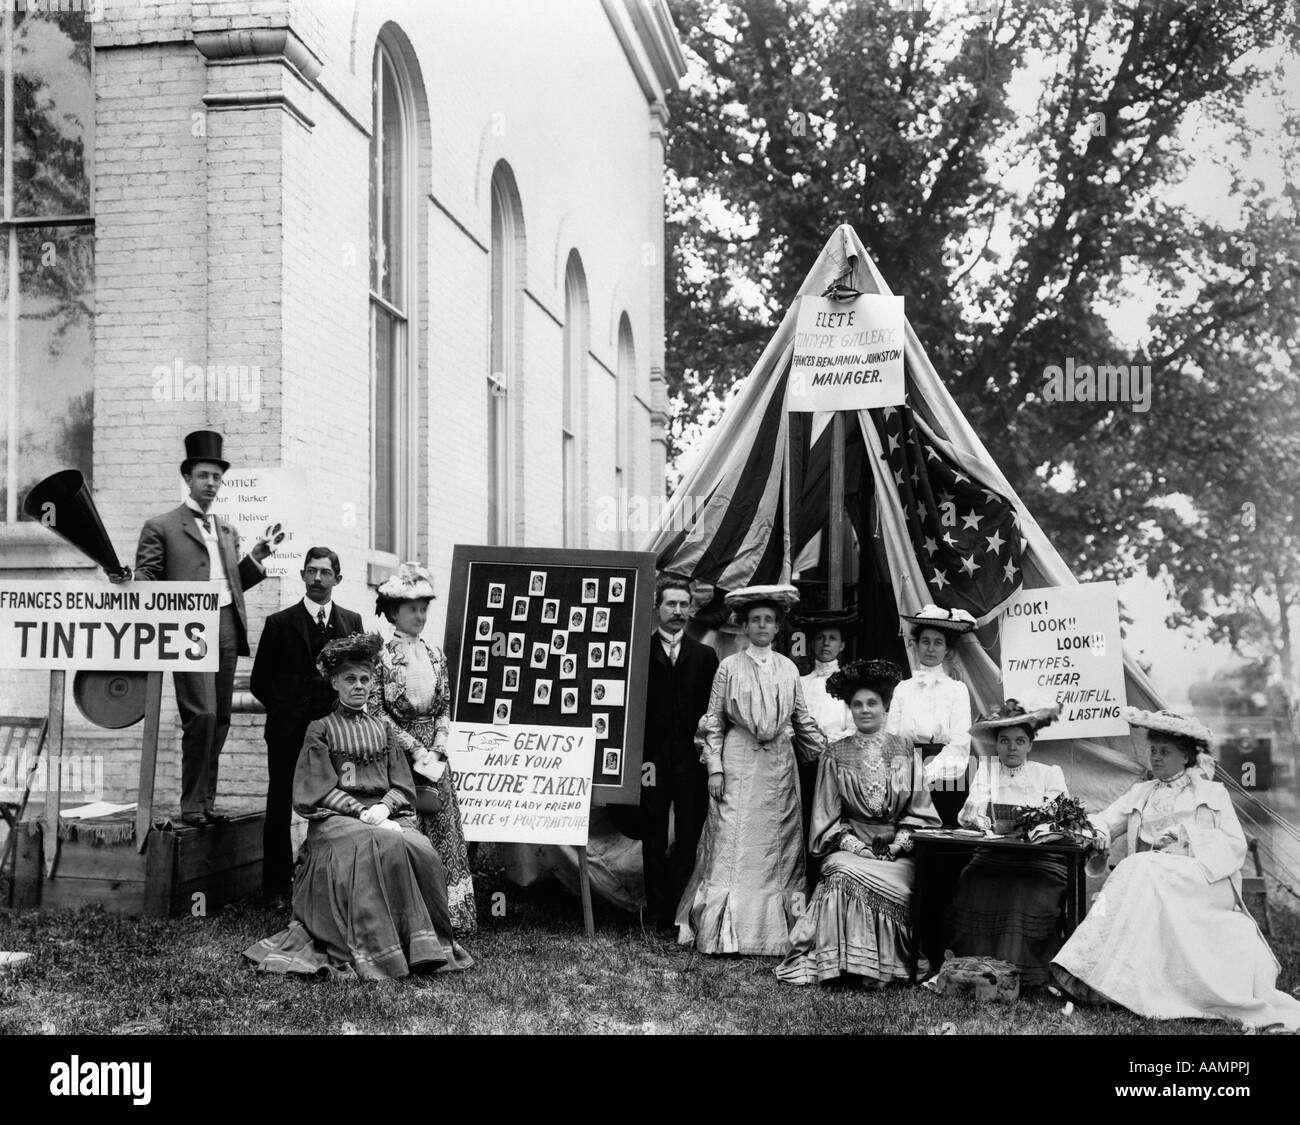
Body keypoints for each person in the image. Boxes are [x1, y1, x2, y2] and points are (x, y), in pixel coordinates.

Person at [1051, 708, 1300, 1030]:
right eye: (1153, 750)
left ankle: (1088, 973)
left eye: (1164, 752)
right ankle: (1092, 977)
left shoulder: (1212, 793)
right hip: (1152, 876)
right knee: (1141, 867)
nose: (1155, 758)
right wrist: (1097, 831)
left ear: (1185, 756)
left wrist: (1189, 841)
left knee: (1139, 866)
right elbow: (1105, 819)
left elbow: (1234, 845)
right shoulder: (1141, 792)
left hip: (1202, 878)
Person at [243, 633, 473, 979]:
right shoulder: (319, 729)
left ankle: (425, 946)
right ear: (335, 683)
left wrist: (384, 807)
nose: (359, 686)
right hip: (335, 820)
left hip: (381, 814)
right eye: (350, 679)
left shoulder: (384, 730)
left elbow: (402, 785)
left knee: (419, 846)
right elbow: (315, 790)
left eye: (365, 679)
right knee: (379, 842)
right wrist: (361, 812)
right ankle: (379, 950)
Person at [123, 430, 274, 826]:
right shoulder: (162, 526)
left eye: (217, 477)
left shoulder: (226, 530)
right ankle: (191, 805)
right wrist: (139, 584)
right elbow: (148, 576)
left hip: (225, 623)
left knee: (222, 716)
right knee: (201, 714)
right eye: (203, 475)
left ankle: (205, 803)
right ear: (188, 478)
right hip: (186, 627)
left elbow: (231, 582)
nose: (211, 483)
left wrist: (256, 560)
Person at [676, 584, 825, 955]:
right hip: (738, 757)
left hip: (778, 762)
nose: (762, 626)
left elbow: (802, 719)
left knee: (778, 842)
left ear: (777, 628)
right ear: (744, 626)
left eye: (769, 621)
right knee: (731, 838)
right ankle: (722, 933)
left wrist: (827, 758)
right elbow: (713, 721)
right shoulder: (729, 666)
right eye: (755, 620)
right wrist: (714, 768)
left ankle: (776, 935)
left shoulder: (789, 668)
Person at [775, 660, 941, 986]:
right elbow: (827, 817)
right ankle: (843, 965)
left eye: (872, 704)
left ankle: (885, 966)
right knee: (840, 872)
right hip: (849, 848)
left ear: (885, 706)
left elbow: (921, 811)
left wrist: (897, 845)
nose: (865, 711)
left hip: (896, 851)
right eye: (857, 705)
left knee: (904, 880)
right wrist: (857, 848)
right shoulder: (834, 754)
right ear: (849, 709)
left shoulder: (905, 749)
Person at [250, 547, 364, 905]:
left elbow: (359, 677)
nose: (317, 578)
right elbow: (259, 682)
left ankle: (335, 881)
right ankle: (276, 889)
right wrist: (292, 710)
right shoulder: (279, 623)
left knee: (341, 800)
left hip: (338, 733)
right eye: (311, 571)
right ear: (302, 575)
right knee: (281, 803)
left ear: (337, 579)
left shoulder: (351, 623)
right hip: (288, 733)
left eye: (325, 573)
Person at [368, 562, 476, 935]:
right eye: (412, 608)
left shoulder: (436, 655)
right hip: (400, 758)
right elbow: (376, 712)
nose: (419, 615)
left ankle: (449, 916)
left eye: (424, 608)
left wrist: (440, 746)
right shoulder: (381, 659)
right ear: (394, 610)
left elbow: (446, 705)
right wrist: (414, 748)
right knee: (407, 829)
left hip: (437, 759)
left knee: (443, 829)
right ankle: (407, 917)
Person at [945, 701, 1068, 987]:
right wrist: (982, 820)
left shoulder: (1049, 773)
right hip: (993, 855)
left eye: (1019, 741)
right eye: (1005, 741)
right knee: (973, 880)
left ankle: (1026, 972)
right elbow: (971, 810)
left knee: (1025, 888)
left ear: (1030, 745)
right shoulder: (986, 771)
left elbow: (1059, 819)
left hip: (1040, 860)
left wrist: (1035, 827)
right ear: (996, 745)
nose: (1012, 748)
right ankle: (974, 970)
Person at [639, 576, 720, 933]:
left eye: (682, 605)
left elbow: (714, 714)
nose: (677, 611)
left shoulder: (705, 656)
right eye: (670, 604)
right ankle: (656, 912)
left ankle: (679, 910)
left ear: (690, 609)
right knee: (653, 836)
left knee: (688, 837)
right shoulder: (640, 652)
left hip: (691, 763)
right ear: (657, 608)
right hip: (651, 763)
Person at [886, 604, 976, 826]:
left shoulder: (957, 689)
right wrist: (906, 776)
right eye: (925, 641)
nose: (931, 648)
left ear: (947, 649)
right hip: (905, 773)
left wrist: (926, 775)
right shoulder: (902, 688)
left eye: (938, 643)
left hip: (947, 776)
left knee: (943, 841)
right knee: (906, 835)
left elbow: (960, 743)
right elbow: (891, 740)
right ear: (915, 645)